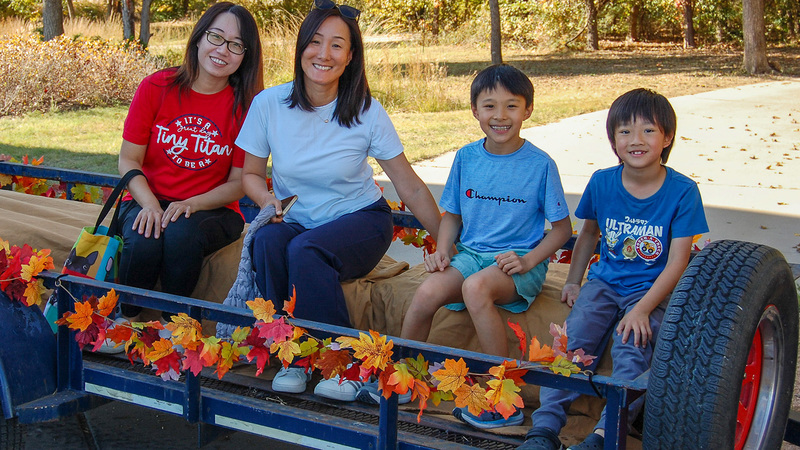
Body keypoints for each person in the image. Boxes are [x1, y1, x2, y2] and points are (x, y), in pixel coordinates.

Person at [231, 0, 442, 398]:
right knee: (269, 240)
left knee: (305, 250)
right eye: (315, 42)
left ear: (350, 57)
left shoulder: (366, 111)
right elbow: (252, 175)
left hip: (360, 220)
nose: (323, 54)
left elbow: (409, 186)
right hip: (295, 217)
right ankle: (292, 356)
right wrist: (267, 201)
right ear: (300, 48)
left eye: (337, 46)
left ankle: (344, 366)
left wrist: (448, 243)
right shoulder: (269, 105)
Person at [517, 88, 709, 450]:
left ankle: (607, 434)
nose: (636, 140)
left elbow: (678, 261)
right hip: (604, 284)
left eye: (648, 131)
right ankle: (543, 431)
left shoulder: (683, 191)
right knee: (570, 345)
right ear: (613, 140)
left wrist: (643, 309)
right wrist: (575, 281)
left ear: (667, 137)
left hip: (650, 291)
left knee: (631, 350)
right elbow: (588, 234)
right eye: (625, 131)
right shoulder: (603, 182)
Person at [399, 63, 572, 426]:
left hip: (517, 263)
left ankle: (501, 396)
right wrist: (444, 249)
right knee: (426, 293)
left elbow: (560, 230)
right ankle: (406, 377)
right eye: (490, 105)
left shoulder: (540, 165)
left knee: (476, 288)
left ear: (528, 110)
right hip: (471, 255)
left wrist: (528, 262)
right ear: (475, 110)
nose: (500, 115)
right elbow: (453, 216)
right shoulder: (466, 157)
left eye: (512, 105)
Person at [116, 2, 264, 322]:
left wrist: (192, 204)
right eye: (216, 36)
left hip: (213, 210)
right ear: (198, 37)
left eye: (236, 44)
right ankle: (124, 320)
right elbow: (129, 159)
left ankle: (177, 326)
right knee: (146, 235)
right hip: (146, 197)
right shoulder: (156, 87)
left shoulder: (247, 107)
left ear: (245, 55)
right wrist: (151, 205)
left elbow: (240, 182)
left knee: (181, 232)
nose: (223, 50)